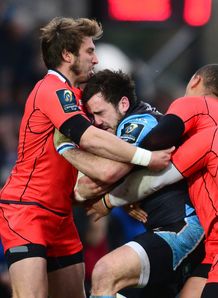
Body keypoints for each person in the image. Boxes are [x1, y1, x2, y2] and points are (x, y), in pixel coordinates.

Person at [0, 17, 173, 298]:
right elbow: (89, 139)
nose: (95, 59)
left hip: (62, 214)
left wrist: (121, 197)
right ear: (68, 55)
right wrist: (146, 158)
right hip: (26, 210)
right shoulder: (52, 90)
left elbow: (98, 158)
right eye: (89, 51)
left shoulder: (79, 98)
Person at [54, 69, 205, 298]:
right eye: (92, 117)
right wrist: (123, 195)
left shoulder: (137, 122)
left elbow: (108, 172)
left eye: (100, 113)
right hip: (170, 228)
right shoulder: (136, 124)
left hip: (181, 227)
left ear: (123, 103)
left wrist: (66, 148)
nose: (97, 123)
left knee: (106, 272)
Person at [102, 64, 218, 298]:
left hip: (201, 235)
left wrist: (109, 196)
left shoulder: (196, 104)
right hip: (210, 243)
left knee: (105, 274)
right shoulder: (207, 133)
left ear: (195, 81)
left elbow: (158, 143)